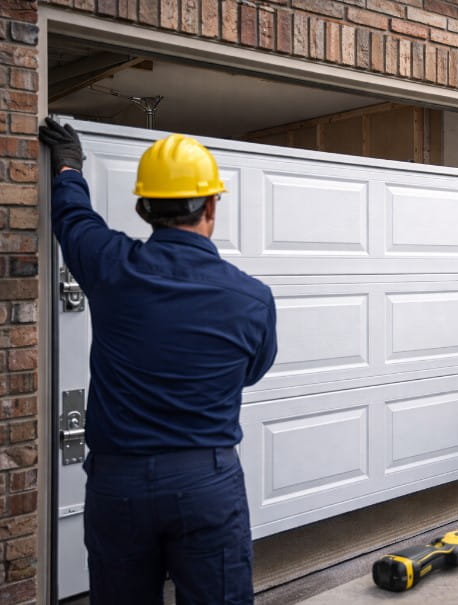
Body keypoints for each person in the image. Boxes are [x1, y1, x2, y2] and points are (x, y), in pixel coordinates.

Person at [40, 118, 277, 604]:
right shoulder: (251, 297)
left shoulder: (111, 266)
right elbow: (250, 371)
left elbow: (73, 218)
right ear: (212, 206)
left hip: (118, 484)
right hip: (206, 481)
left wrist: (68, 165)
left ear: (143, 207)